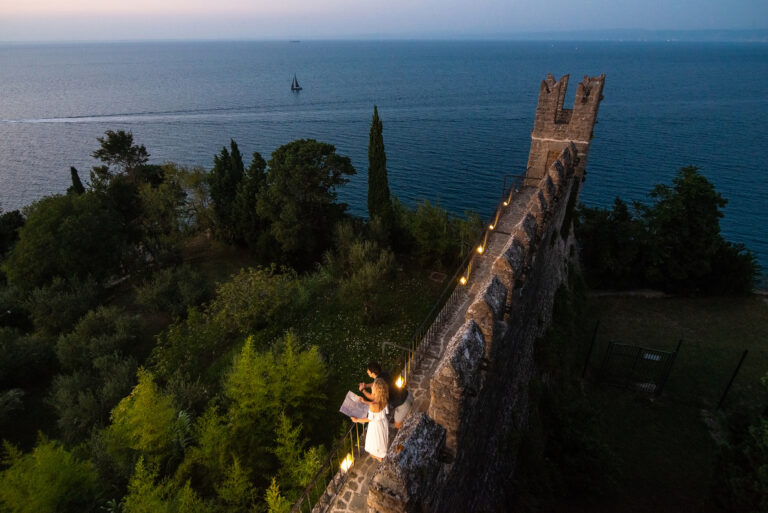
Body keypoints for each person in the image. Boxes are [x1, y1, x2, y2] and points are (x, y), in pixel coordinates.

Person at [358, 361, 414, 429]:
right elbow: (375, 384)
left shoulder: (377, 383)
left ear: (372, 373)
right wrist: (366, 385)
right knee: (408, 415)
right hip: (407, 394)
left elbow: (372, 397)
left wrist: (362, 390)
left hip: (402, 403)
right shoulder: (384, 374)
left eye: (368, 370)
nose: (367, 371)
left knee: (397, 425)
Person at [351, 377, 389, 461]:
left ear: (376, 390)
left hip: (376, 427)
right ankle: (381, 457)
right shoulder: (383, 397)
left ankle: (381, 459)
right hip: (383, 423)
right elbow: (375, 402)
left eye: (373, 387)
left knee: (374, 449)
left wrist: (356, 420)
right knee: (381, 443)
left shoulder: (373, 405)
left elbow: (369, 419)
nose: (371, 387)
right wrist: (364, 401)